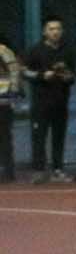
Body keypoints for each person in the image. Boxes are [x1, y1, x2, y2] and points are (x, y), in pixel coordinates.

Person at [24, 16, 76, 183]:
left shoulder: (67, 50)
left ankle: (58, 170)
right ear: (44, 31)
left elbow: (74, 75)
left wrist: (67, 76)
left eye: (58, 29)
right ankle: (39, 170)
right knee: (39, 136)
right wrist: (42, 75)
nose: (55, 32)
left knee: (58, 137)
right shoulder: (35, 50)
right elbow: (24, 71)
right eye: (51, 29)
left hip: (61, 101)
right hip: (40, 102)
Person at [0, 32, 21, 182]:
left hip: (2, 100)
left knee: (4, 136)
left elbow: (14, 72)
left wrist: (12, 93)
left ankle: (7, 170)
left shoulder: (3, 50)